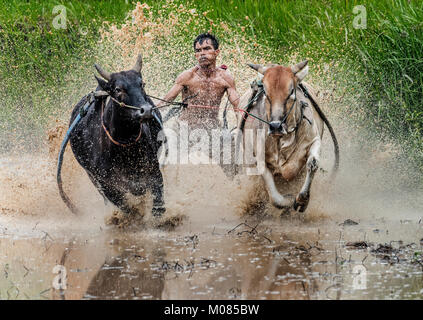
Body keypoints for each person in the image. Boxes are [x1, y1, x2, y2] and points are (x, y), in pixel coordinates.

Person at [157, 33, 240, 130]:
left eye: (207, 49)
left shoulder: (225, 78)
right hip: (185, 129)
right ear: (196, 55)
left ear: (216, 52)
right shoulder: (187, 76)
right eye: (198, 50)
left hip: (213, 130)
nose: (202, 53)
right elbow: (165, 101)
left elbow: (238, 107)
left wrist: (241, 129)